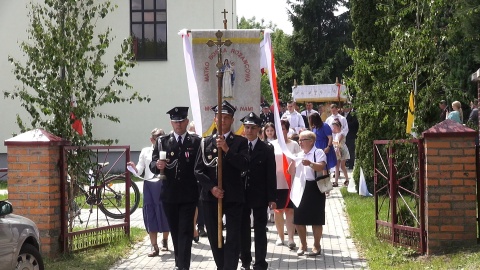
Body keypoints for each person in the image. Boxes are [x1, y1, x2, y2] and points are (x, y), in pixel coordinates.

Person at [194, 100, 249, 270]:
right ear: (214, 120)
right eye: (219, 117)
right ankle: (222, 266)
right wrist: (212, 187)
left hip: (233, 196)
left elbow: (245, 164)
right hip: (211, 197)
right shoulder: (205, 143)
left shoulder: (240, 142)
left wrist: (227, 150)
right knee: (214, 237)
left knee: (233, 237)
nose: (222, 120)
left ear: (232, 120)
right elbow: (198, 170)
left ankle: (229, 267)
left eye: (226, 117)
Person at [149, 107, 201, 270]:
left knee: (185, 231)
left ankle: (183, 266)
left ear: (186, 121)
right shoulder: (163, 141)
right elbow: (153, 164)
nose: (178, 125)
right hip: (170, 195)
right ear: (171, 122)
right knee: (176, 231)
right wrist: (157, 165)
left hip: (189, 195)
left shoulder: (196, 141)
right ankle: (180, 263)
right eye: (175, 121)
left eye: (181, 121)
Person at [239, 112, 277, 270]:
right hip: (241, 194)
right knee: (243, 230)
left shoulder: (266, 148)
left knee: (260, 230)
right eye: (247, 127)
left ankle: (260, 262)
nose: (249, 131)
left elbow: (271, 174)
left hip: (260, 195)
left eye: (252, 128)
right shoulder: (238, 147)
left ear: (258, 130)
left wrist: (272, 198)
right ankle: (245, 260)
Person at [127, 128, 170, 257]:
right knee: (150, 213)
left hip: (163, 185)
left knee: (164, 212)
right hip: (149, 186)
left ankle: (165, 239)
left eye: (162, 136)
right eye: (157, 137)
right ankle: (154, 246)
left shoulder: (168, 150)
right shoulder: (146, 151)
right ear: (152, 139)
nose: (160, 139)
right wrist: (134, 168)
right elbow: (140, 169)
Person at [288, 130, 327, 256]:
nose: (299, 142)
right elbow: (290, 172)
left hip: (314, 187)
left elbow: (321, 167)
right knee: (299, 219)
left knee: (316, 219)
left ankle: (316, 245)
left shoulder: (318, 152)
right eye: (299, 140)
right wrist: (293, 162)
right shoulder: (299, 154)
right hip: (300, 187)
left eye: (302, 140)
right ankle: (303, 244)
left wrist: (309, 163)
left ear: (311, 141)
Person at [270, 120, 300, 249]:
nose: (281, 131)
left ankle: (291, 238)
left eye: (283, 128)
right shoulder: (271, 145)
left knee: (290, 211)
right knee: (278, 211)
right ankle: (280, 236)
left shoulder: (294, 145)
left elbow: (298, 161)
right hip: (276, 182)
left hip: (291, 183)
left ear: (287, 130)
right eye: (279, 128)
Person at [332, 120, 350, 187]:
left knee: (342, 166)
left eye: (335, 127)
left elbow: (338, 142)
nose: (334, 129)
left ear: (338, 126)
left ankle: (347, 179)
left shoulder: (342, 133)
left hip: (342, 150)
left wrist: (332, 142)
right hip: (337, 150)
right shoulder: (336, 134)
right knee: (336, 165)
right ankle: (336, 181)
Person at [342, 103, 359, 169]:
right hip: (344, 136)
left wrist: (346, 124)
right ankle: (346, 163)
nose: (344, 109)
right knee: (344, 150)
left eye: (345, 107)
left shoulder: (353, 114)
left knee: (351, 150)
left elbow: (355, 123)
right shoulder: (342, 114)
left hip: (351, 135)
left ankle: (351, 164)